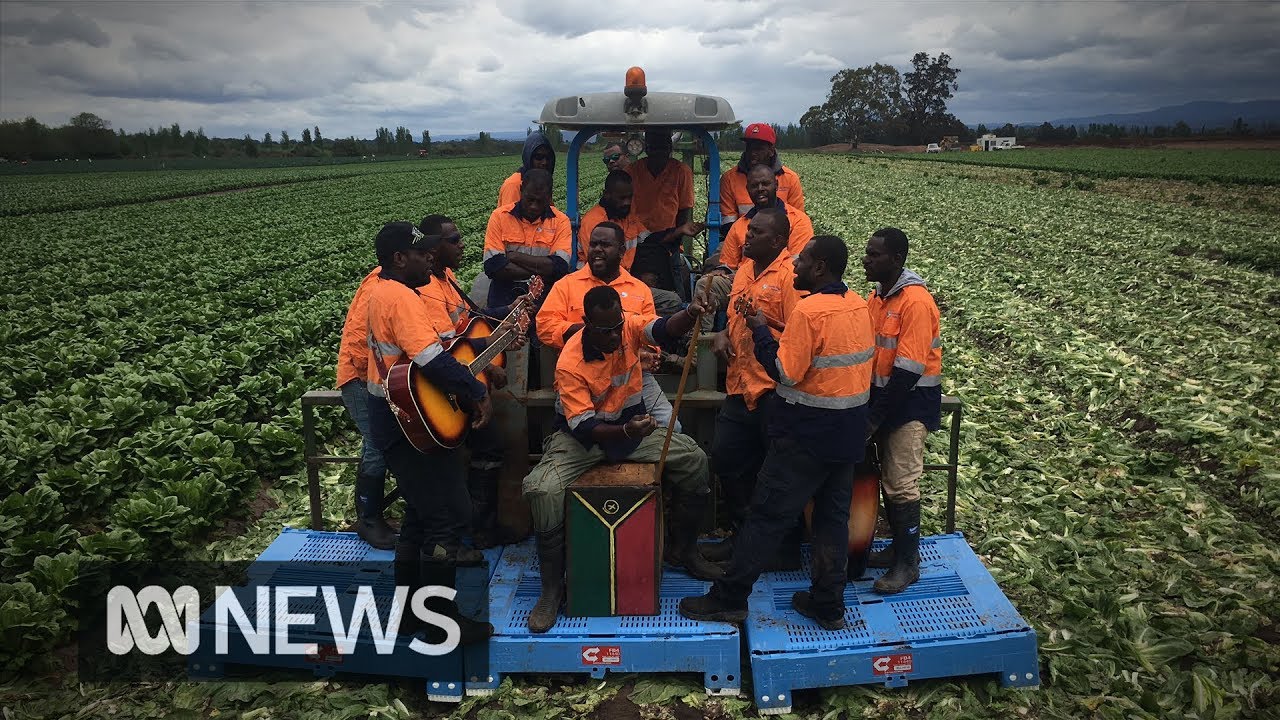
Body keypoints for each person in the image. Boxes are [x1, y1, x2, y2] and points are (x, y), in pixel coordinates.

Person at [680, 236, 875, 628]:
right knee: (831, 521)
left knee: (766, 516)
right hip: (848, 435)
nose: (796, 267)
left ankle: (730, 598)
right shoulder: (857, 304)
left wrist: (759, 330)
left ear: (820, 268)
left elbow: (784, 371)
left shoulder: (810, 311)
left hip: (805, 435)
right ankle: (828, 604)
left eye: (802, 261)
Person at [522, 285, 722, 633]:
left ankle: (685, 551)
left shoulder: (626, 326)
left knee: (694, 459)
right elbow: (583, 427)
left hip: (633, 432)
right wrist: (628, 431)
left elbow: (661, 329)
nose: (615, 335)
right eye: (604, 331)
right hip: (583, 441)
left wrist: (689, 313)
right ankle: (552, 591)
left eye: (617, 326)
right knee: (542, 490)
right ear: (586, 323)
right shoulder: (570, 362)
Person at [362, 221, 494, 643]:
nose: (430, 259)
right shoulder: (399, 297)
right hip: (407, 420)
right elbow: (431, 358)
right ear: (400, 259)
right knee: (447, 517)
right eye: (422, 254)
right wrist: (476, 391)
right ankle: (439, 620)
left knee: (419, 517)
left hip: (397, 415)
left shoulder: (382, 291)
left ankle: (408, 615)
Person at [698, 208, 805, 570]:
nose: (747, 236)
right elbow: (734, 314)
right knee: (727, 460)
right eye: (749, 229)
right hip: (739, 385)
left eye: (756, 232)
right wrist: (725, 334)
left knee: (776, 475)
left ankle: (783, 549)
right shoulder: (744, 268)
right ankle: (742, 540)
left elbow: (799, 334)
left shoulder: (791, 277)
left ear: (777, 241)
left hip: (773, 390)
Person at [418, 214, 528, 548]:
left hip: (459, 378)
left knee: (489, 446)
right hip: (439, 387)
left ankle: (480, 529)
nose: (463, 244)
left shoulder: (447, 277)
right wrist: (484, 364)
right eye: (454, 239)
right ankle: (464, 535)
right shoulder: (423, 288)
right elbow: (442, 350)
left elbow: (466, 331)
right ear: (433, 249)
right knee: (461, 456)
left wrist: (490, 358)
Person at [537, 222, 681, 432]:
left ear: (622, 251)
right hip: (581, 378)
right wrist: (593, 334)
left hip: (632, 378)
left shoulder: (639, 289)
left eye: (605, 245)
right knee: (581, 433)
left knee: (672, 428)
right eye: (593, 244)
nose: (597, 250)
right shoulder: (566, 285)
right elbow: (545, 326)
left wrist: (646, 352)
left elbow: (649, 333)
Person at [861, 227, 942, 595]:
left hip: (908, 404)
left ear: (895, 259)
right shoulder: (878, 297)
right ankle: (897, 548)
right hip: (884, 398)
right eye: (867, 252)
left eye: (874, 255)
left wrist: (875, 415)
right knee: (890, 481)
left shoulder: (915, 302)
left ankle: (908, 564)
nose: (867, 259)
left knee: (902, 483)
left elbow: (909, 369)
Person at [695, 164, 813, 333]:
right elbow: (728, 264)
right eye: (754, 185)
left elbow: (797, 264)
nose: (760, 189)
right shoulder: (739, 225)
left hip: (782, 280)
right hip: (742, 279)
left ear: (776, 185)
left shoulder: (798, 220)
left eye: (765, 184)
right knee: (706, 284)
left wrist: (763, 279)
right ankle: (702, 342)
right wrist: (723, 272)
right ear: (747, 189)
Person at [335, 267, 396, 549]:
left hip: (384, 379)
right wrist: (378, 382)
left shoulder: (429, 278)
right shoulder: (377, 287)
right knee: (377, 444)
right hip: (363, 380)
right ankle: (368, 519)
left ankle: (373, 513)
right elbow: (361, 344)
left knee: (382, 444)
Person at [483, 168, 572, 308]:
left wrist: (513, 256)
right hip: (504, 296)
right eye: (530, 199)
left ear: (550, 197)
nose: (534, 206)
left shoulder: (561, 221)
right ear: (521, 190)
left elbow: (560, 267)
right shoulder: (499, 216)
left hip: (544, 297)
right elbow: (493, 266)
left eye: (540, 201)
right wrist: (542, 272)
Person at [719, 123, 805, 227]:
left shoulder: (790, 178)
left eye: (758, 148)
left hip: (782, 239)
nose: (752, 153)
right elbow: (728, 222)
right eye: (749, 147)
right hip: (742, 239)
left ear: (771, 151)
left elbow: (797, 220)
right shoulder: (729, 178)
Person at [577, 170, 649, 269]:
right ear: (606, 194)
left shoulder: (626, 214)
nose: (627, 203)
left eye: (629, 197)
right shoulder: (593, 221)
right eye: (622, 198)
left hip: (625, 275)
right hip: (596, 279)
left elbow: (647, 239)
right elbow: (599, 263)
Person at [627, 129, 694, 233]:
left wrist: (675, 238)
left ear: (669, 149)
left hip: (667, 235)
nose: (658, 153)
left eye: (662, 148)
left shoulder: (682, 171)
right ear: (647, 149)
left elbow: (684, 209)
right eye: (654, 148)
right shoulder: (632, 171)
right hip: (635, 234)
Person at [498, 130, 555, 207]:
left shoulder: (542, 183)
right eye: (539, 157)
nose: (544, 162)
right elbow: (509, 218)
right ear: (528, 158)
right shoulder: (514, 185)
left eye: (548, 157)